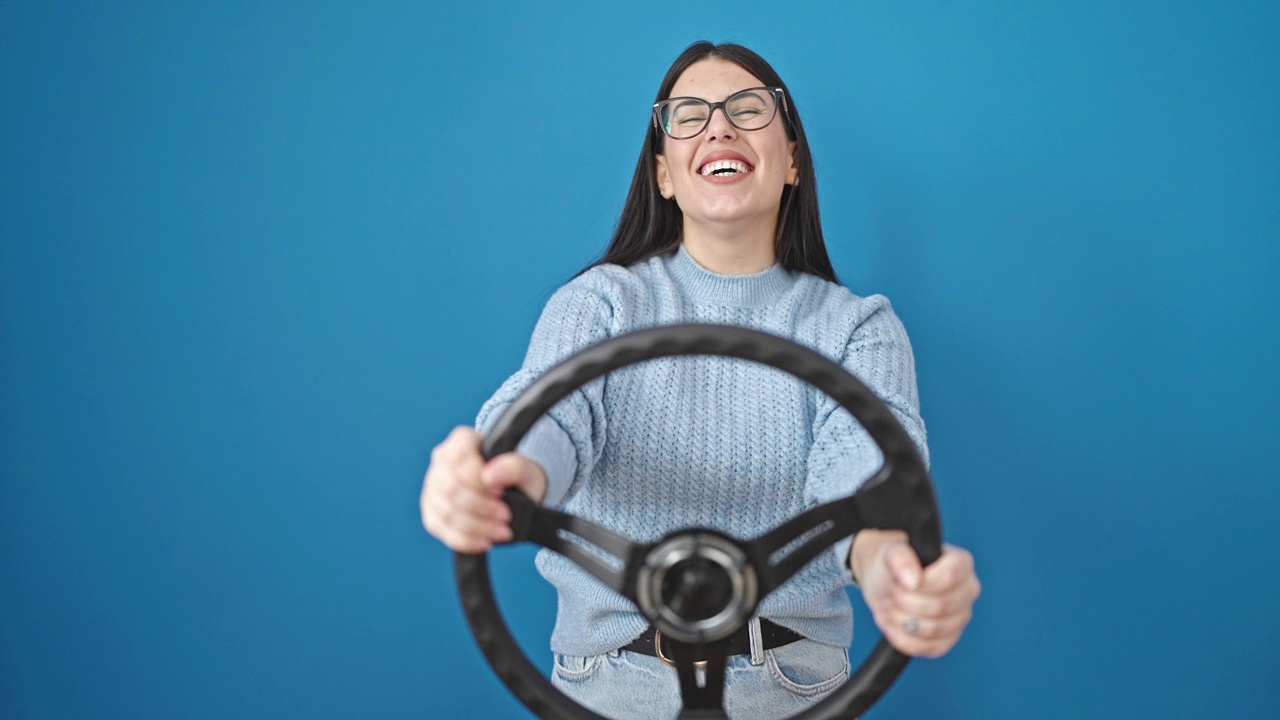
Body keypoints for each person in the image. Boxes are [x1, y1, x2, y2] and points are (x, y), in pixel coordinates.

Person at [421, 41, 981, 719]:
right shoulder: (600, 304)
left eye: (748, 109)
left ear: (793, 161)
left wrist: (892, 569)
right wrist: (493, 479)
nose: (719, 127)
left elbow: (863, 479)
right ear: (663, 173)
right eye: (689, 115)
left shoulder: (858, 327)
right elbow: (552, 420)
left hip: (794, 692)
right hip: (607, 690)